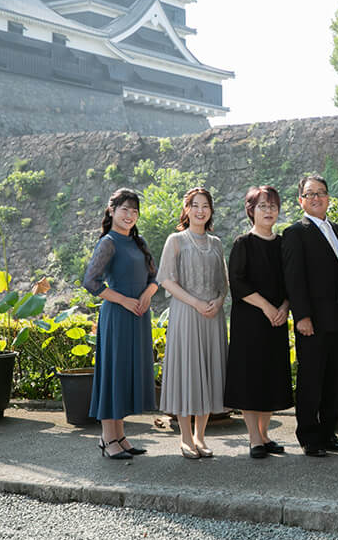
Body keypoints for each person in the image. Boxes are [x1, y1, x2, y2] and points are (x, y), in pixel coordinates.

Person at [282, 175, 338, 457]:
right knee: (311, 379)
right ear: (301, 200)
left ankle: (328, 432)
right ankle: (309, 436)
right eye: (309, 194)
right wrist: (301, 316)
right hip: (311, 321)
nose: (316, 198)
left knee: (334, 380)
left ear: (328, 197)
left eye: (321, 193)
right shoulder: (295, 232)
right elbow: (294, 278)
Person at [82, 188, 158, 460]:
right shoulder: (108, 242)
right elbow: (90, 282)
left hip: (140, 315)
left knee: (126, 374)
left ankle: (120, 435)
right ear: (112, 210)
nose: (130, 215)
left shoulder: (139, 242)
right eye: (125, 209)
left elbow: (155, 277)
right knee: (113, 375)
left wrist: (146, 296)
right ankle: (107, 438)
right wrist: (125, 301)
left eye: (134, 211)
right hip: (117, 316)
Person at [157, 187, 229, 459]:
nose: (200, 210)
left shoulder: (217, 243)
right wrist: (196, 303)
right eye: (195, 205)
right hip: (187, 314)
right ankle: (185, 438)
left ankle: (201, 436)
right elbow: (166, 280)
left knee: (208, 374)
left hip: (213, 316)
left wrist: (219, 301)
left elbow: (224, 283)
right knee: (188, 374)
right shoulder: (176, 240)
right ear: (186, 209)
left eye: (205, 206)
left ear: (211, 211)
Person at [225, 185, 294, 459]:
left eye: (273, 206)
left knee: (271, 377)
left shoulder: (283, 243)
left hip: (276, 320)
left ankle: (265, 435)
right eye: (262, 206)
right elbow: (237, 282)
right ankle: (254, 438)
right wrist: (267, 307)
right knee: (250, 378)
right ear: (251, 211)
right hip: (250, 321)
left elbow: (292, 281)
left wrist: (285, 308)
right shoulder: (243, 243)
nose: (269, 211)